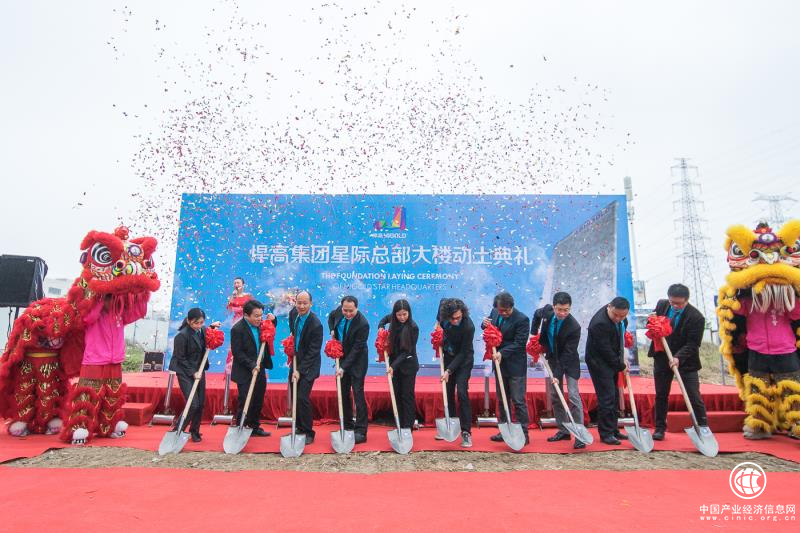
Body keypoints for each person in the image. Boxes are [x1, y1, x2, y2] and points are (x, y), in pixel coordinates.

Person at [647, 284, 709, 441]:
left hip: (686, 361)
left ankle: (702, 427)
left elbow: (693, 344)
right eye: (672, 302)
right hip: (662, 357)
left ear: (686, 300)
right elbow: (652, 325)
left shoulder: (696, 317)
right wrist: (652, 325)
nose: (675, 306)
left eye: (679, 303)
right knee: (661, 394)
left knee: (693, 395)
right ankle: (660, 428)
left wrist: (678, 357)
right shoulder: (662, 305)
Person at [532, 292, 585, 449]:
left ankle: (580, 435)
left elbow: (567, 354)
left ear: (570, 308)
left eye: (566, 310)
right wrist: (533, 334)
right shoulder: (546, 312)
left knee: (573, 396)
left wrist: (556, 375)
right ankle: (563, 430)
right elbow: (536, 315)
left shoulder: (574, 327)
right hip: (553, 359)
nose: (562, 313)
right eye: (559, 309)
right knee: (556, 395)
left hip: (569, 362)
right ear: (554, 307)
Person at [483, 291, 531, 445]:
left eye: (506, 311)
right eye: (501, 310)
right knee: (502, 399)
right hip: (499, 365)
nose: (503, 313)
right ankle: (504, 430)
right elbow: (487, 328)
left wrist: (502, 353)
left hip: (515, 365)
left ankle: (524, 433)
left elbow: (519, 343)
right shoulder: (494, 312)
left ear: (512, 307)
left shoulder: (522, 319)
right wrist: (484, 324)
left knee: (518, 400)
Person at [169, 308, 221, 442]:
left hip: (199, 369)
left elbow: (206, 333)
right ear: (189, 321)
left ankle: (195, 431)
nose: (198, 325)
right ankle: (178, 429)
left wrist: (212, 327)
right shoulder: (182, 336)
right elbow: (180, 358)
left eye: (201, 323)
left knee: (201, 402)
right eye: (195, 323)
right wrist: (193, 372)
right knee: (193, 403)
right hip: (184, 371)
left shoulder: (202, 330)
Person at [585, 297, 630, 445]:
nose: (618, 319)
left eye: (622, 316)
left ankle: (614, 429)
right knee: (607, 397)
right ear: (609, 307)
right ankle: (606, 434)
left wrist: (623, 359)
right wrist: (621, 365)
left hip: (612, 361)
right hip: (599, 362)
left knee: (615, 396)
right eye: (615, 315)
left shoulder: (621, 319)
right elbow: (605, 351)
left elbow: (619, 340)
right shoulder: (599, 324)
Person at [230, 300, 277, 437]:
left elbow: (271, 327)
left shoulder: (262, 325)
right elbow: (237, 352)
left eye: (261, 315)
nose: (259, 319)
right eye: (256, 316)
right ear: (246, 315)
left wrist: (274, 320)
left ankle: (254, 426)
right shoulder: (237, 329)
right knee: (245, 400)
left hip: (259, 368)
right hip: (245, 370)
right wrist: (251, 365)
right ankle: (241, 426)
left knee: (258, 399)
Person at [328, 295, 370, 443]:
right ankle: (347, 425)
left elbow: (357, 349)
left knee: (358, 394)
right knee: (343, 393)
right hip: (342, 357)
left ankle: (361, 431)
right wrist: (332, 330)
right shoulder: (338, 312)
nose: (347, 313)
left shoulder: (363, 324)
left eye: (351, 311)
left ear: (356, 308)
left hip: (357, 361)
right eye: (345, 310)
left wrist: (343, 368)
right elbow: (331, 317)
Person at [438, 298, 475, 447]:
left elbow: (463, 353)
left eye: (458, 317)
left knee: (461, 392)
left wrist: (449, 370)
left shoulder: (468, 327)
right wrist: (438, 334)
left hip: (464, 360)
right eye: (452, 318)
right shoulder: (444, 318)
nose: (455, 321)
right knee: (448, 392)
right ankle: (451, 425)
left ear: (462, 313)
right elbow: (441, 306)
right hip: (449, 356)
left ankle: (466, 432)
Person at [288, 291, 323, 444]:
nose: (301, 306)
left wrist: (300, 371)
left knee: (302, 397)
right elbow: (293, 333)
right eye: (299, 303)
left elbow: (313, 351)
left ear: (311, 304)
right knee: (295, 395)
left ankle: (309, 432)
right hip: (296, 360)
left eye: (305, 303)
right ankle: (299, 427)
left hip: (309, 365)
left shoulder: (316, 324)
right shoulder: (293, 314)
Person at [386, 299, 420, 431]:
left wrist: (393, 366)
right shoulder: (393, 322)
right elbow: (384, 319)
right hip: (395, 366)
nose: (402, 317)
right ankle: (399, 425)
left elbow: (407, 351)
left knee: (407, 396)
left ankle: (408, 426)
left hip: (408, 366)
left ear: (409, 313)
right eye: (399, 315)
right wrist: (381, 327)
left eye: (404, 314)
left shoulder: (413, 327)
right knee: (397, 395)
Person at [225, 277, 253, 374]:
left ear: (243, 285)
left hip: (247, 321)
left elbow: (252, 308)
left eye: (238, 283)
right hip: (236, 321)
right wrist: (233, 298)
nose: (236, 285)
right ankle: (231, 369)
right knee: (235, 343)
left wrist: (243, 311)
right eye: (235, 283)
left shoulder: (248, 296)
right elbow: (229, 310)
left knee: (246, 342)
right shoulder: (232, 297)